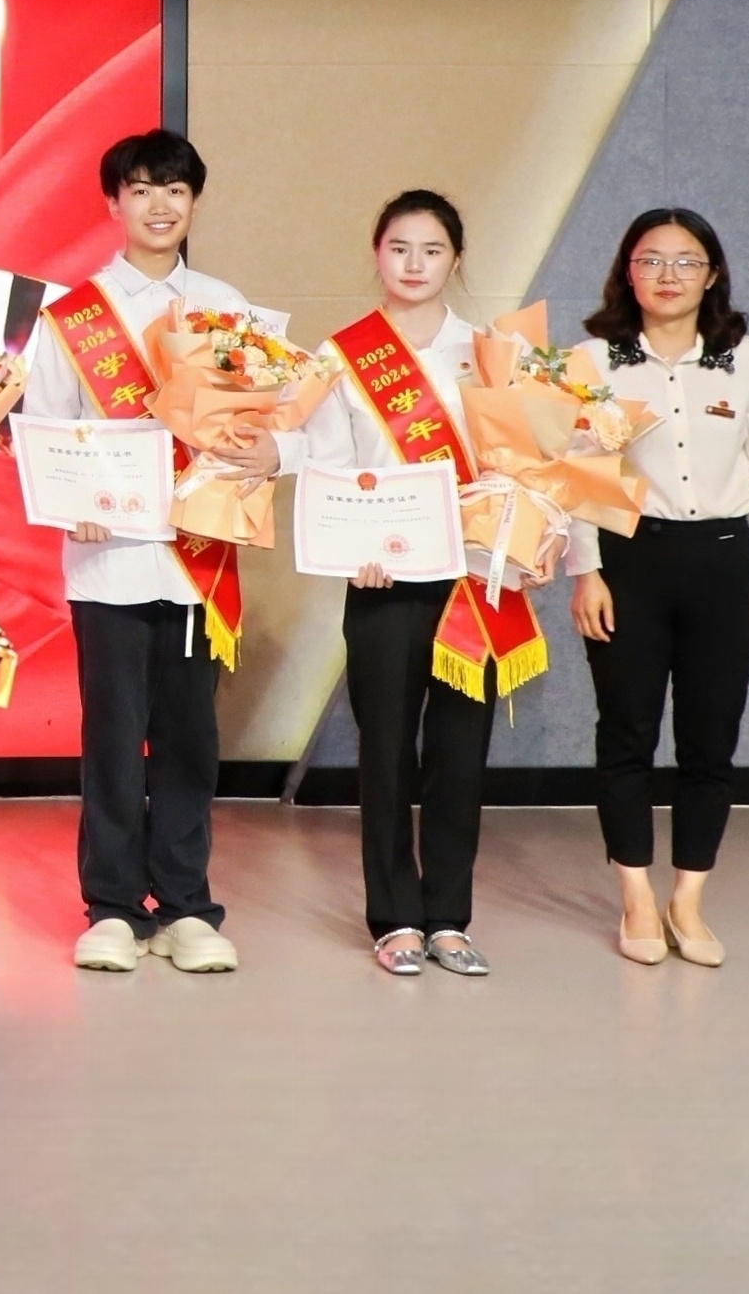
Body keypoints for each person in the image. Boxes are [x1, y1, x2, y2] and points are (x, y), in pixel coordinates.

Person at [17, 128, 263, 977]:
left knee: (191, 740)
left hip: (197, 561)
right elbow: (44, 429)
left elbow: (256, 424)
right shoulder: (74, 314)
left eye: (176, 190)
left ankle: (187, 904)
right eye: (143, 189)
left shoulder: (227, 310)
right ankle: (114, 907)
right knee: (113, 741)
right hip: (109, 561)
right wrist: (74, 501)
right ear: (113, 202)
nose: (160, 205)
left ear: (195, 202)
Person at [565, 210, 749, 968]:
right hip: (629, 560)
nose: (668, 275)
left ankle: (687, 900)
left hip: (722, 562)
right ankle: (636, 895)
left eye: (686, 261)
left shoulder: (745, 359)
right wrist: (586, 569)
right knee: (626, 731)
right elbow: (578, 475)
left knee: (710, 738)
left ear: (712, 274)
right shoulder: (592, 359)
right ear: (626, 271)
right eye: (651, 260)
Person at [285, 190, 504, 977]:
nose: (415, 264)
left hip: (468, 580)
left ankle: (449, 916)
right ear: (377, 253)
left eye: (432, 250)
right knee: (384, 750)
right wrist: (357, 544)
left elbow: (513, 462)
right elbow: (330, 464)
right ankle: (394, 917)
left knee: (460, 752)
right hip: (381, 579)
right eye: (400, 248)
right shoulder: (344, 355)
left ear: (456, 259)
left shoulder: (489, 353)